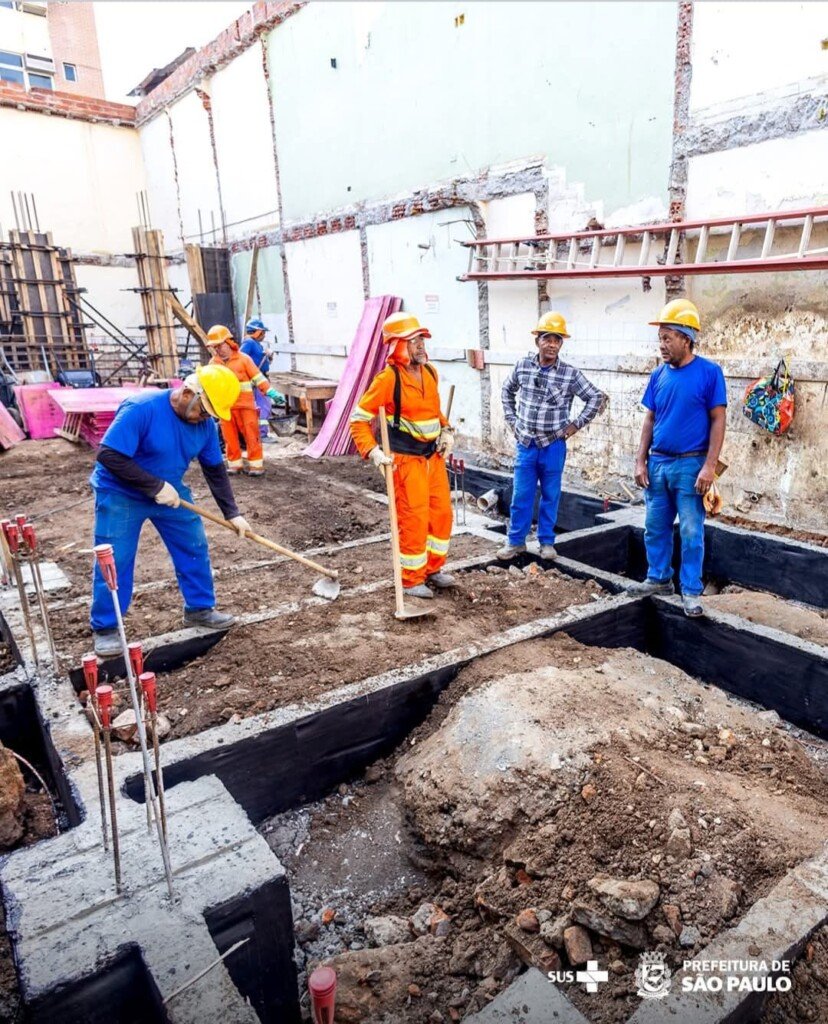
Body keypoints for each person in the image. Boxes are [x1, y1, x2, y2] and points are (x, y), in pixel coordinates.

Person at [89, 365, 251, 657]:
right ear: (188, 393)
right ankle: (107, 627)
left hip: (169, 490)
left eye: (211, 415)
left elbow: (215, 470)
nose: (204, 419)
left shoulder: (205, 426)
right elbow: (108, 455)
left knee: (193, 544)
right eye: (203, 411)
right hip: (121, 492)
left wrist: (232, 512)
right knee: (116, 557)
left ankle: (199, 609)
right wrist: (153, 486)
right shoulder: (142, 409)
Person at [628, 299, 727, 617]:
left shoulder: (709, 373)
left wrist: (709, 466)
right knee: (654, 527)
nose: (662, 344)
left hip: (690, 465)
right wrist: (640, 461)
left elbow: (718, 419)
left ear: (686, 338)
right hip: (658, 464)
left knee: (690, 531)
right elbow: (650, 419)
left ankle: (691, 590)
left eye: (667, 338)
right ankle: (658, 579)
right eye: (660, 338)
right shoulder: (658, 375)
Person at [349, 312, 454, 599]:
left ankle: (433, 569)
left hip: (433, 458)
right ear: (397, 345)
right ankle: (411, 579)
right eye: (413, 340)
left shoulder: (430, 372)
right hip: (405, 462)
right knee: (413, 518)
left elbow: (433, 411)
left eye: (421, 339)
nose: (420, 345)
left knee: (441, 514)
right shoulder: (387, 379)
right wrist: (373, 451)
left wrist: (446, 430)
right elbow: (358, 420)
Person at [498, 311, 606, 560]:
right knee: (521, 495)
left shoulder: (570, 374)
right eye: (548, 338)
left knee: (551, 495)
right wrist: (512, 421)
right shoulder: (523, 366)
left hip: (553, 445)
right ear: (537, 340)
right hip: (526, 444)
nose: (552, 345)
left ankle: (546, 542)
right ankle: (515, 542)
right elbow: (506, 391)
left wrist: (575, 425)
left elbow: (595, 397)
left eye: (557, 340)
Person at [206, 324, 283, 476]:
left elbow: (258, 378)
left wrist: (270, 391)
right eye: (215, 347)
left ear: (229, 342)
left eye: (220, 345)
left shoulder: (244, 359)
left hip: (245, 406)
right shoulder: (213, 364)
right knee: (229, 437)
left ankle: (256, 465)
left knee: (251, 435)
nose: (218, 350)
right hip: (226, 408)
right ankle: (235, 464)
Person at [239, 318, 276, 441]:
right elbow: (240, 359)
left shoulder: (255, 344)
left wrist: (268, 356)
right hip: (257, 380)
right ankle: (262, 434)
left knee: (261, 406)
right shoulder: (249, 343)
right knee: (264, 406)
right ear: (257, 331)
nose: (264, 335)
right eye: (263, 332)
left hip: (259, 378)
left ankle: (258, 433)